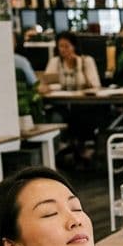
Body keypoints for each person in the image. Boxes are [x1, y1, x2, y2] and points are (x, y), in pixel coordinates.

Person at [44, 32, 104, 166]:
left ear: (74, 46)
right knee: (55, 117)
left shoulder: (86, 61)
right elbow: (48, 83)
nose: (64, 50)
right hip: (62, 105)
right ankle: (61, 153)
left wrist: (78, 66)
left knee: (83, 117)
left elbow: (95, 85)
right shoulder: (55, 62)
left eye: (67, 46)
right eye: (61, 46)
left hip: (84, 105)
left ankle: (81, 150)